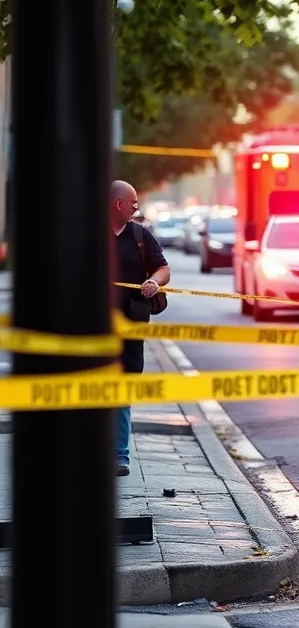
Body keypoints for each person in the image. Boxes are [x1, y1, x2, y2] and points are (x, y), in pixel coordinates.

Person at [111, 181, 170, 476]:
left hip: (132, 327)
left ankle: (119, 456)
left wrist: (154, 282)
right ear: (117, 204)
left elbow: (163, 267)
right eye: (132, 201)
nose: (137, 206)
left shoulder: (139, 235)